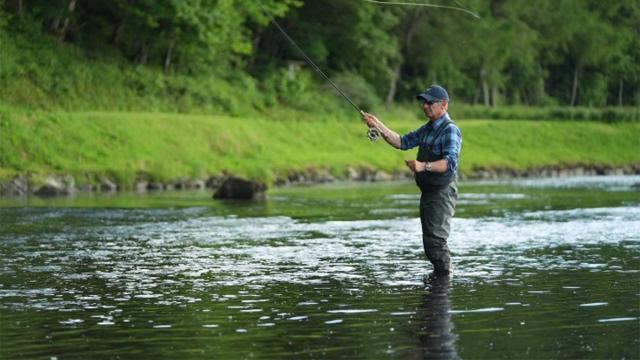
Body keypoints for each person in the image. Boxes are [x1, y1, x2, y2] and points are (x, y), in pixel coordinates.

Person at [362, 84, 462, 276]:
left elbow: (450, 163)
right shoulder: (428, 129)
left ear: (444, 105)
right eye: (424, 102)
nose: (425, 106)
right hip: (429, 192)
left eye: (430, 102)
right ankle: (440, 285)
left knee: (436, 243)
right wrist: (377, 124)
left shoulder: (450, 130)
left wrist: (423, 166)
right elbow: (402, 142)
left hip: (442, 193)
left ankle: (444, 285)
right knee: (429, 243)